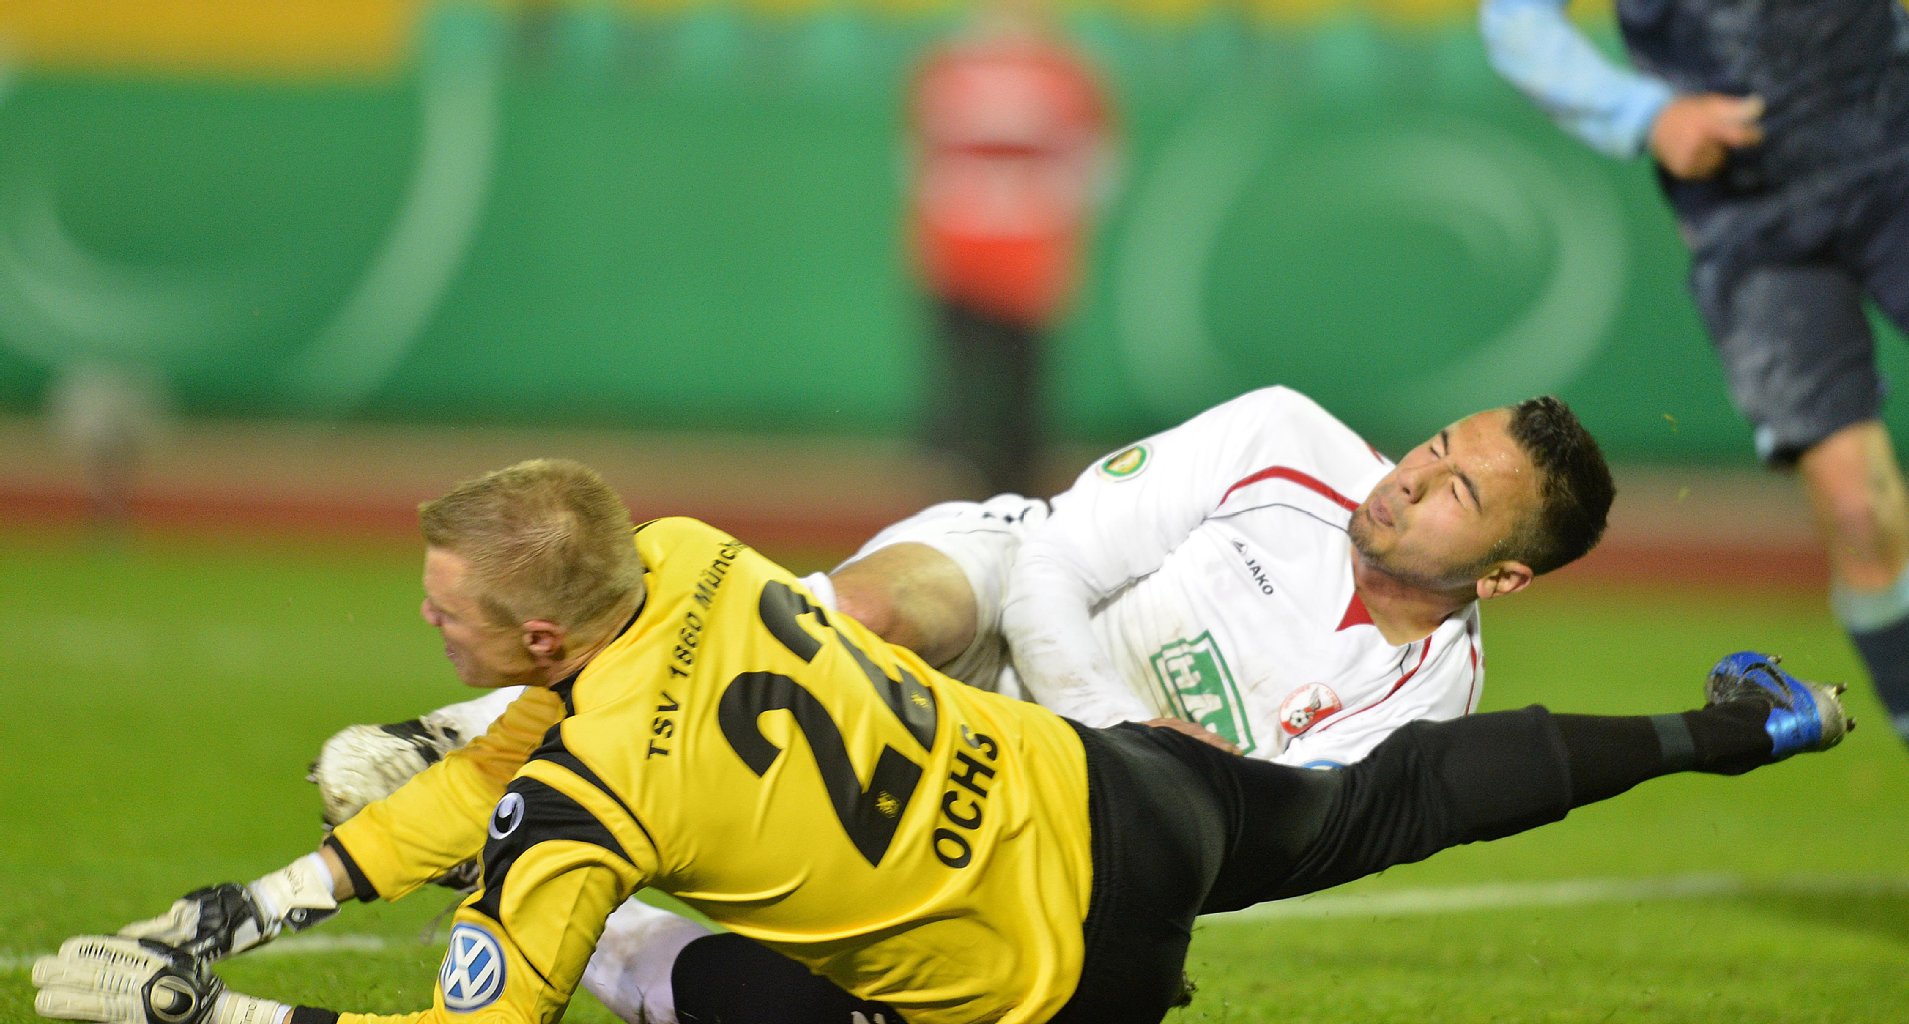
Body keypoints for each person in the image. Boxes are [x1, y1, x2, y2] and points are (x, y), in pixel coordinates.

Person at [33, 459, 1851, 1024]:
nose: (423, 616)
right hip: (1118, 794)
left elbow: (476, 964)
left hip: (1044, 980)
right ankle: (1722, 724)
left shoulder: (579, 806)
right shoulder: (696, 558)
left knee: (678, 983)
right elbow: (473, 774)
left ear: (528, 638)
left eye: (443, 613)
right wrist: (226, 911)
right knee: (1389, 804)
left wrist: (211, 1003)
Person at [307, 386, 1613, 1022]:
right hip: (1004, 615)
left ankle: (586, 925)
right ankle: (462, 751)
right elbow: (1049, 562)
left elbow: (1258, 842)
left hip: (1046, 808)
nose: (1406, 477)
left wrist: (1130, 828)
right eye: (1437, 443)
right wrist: (1122, 738)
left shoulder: (1427, 702)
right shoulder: (1286, 439)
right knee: (857, 621)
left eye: (1452, 492)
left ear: (1501, 571)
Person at [1481, 0, 1909, 748]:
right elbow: (1516, 21)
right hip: (1748, 211)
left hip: (1893, 147)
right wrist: (1645, 116)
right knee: (1854, 512)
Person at [906, 0, 1114, 496]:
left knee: (1007, 392)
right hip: (985, 252)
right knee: (969, 391)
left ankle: (994, 495)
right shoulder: (1057, 71)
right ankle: (976, 492)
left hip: (1012, 255)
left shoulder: (1050, 71)